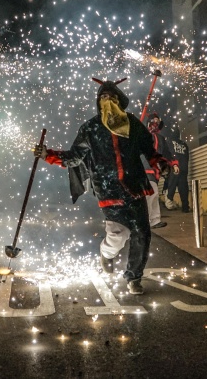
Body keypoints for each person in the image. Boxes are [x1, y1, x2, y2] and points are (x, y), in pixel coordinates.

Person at [34, 78, 171, 295]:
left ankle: (134, 277)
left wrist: (160, 164)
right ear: (98, 103)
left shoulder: (133, 124)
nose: (107, 101)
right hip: (108, 189)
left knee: (142, 233)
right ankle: (107, 254)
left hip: (134, 186)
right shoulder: (90, 128)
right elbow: (74, 157)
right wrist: (47, 155)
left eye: (111, 97)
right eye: (103, 98)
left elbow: (150, 151)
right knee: (118, 233)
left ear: (119, 101)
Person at [144, 112, 179, 228]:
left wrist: (174, 164)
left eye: (157, 122)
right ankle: (148, 221)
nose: (156, 123)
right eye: (154, 121)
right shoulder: (142, 135)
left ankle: (153, 220)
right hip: (143, 168)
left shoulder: (160, 138)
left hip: (155, 170)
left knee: (153, 194)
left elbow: (167, 153)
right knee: (150, 194)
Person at [165, 127, 191, 212]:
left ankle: (169, 203)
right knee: (183, 187)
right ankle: (185, 207)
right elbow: (187, 156)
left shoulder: (169, 142)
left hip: (175, 166)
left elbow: (168, 154)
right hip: (184, 167)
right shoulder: (184, 144)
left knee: (171, 185)